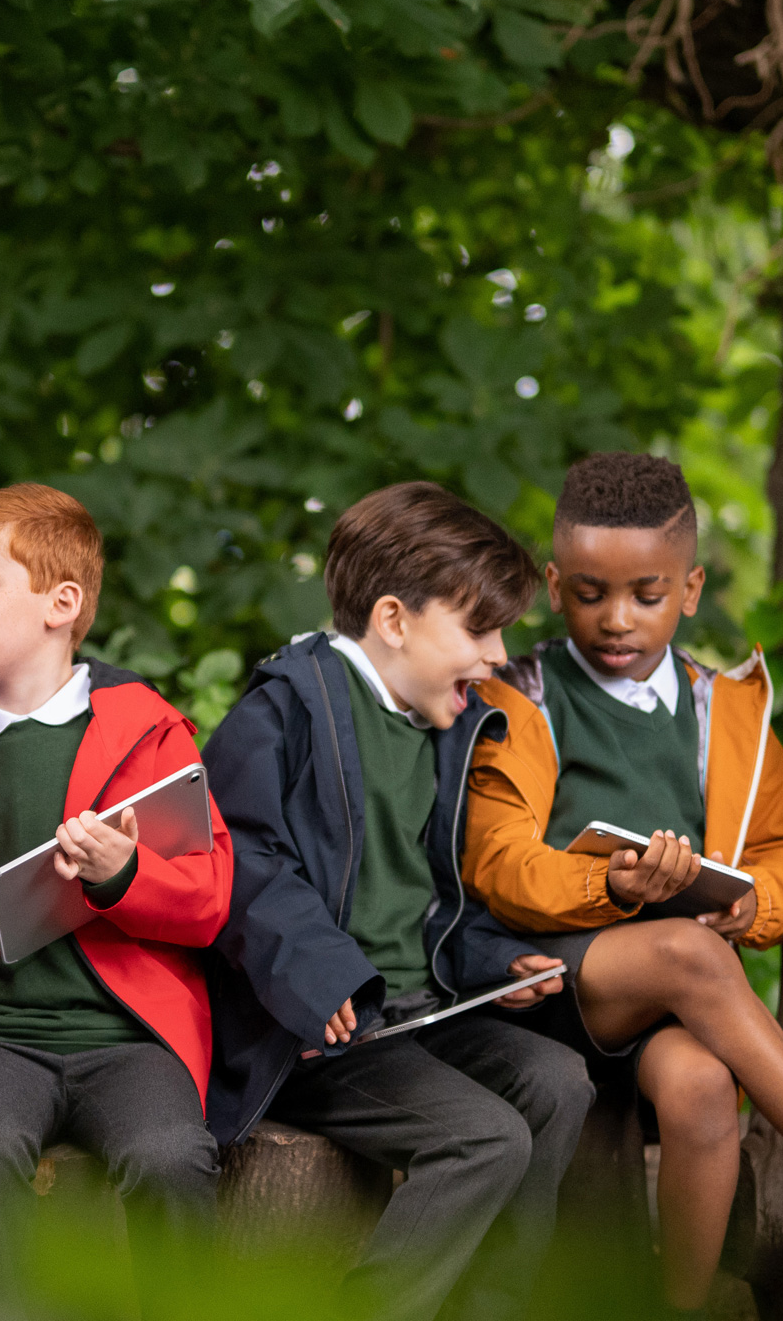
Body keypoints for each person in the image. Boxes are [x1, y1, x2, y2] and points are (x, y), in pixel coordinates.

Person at [460, 451, 783, 1313]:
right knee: (687, 950)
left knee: (699, 1086)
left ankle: (679, 1307)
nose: (616, 619)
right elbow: (498, 865)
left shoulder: (724, 706)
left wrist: (752, 901)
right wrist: (613, 888)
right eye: (588, 593)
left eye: (646, 596)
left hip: (667, 1008)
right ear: (551, 584)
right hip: (538, 987)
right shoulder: (520, 698)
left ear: (689, 591)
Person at [199, 482, 592, 1321]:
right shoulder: (284, 714)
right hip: (314, 1034)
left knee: (559, 1082)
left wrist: (492, 964)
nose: (494, 654)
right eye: (477, 629)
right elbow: (240, 860)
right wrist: (318, 975)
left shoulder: (451, 725)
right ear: (393, 619)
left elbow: (434, 895)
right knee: (483, 1139)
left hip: (423, 1014)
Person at [0, 484, 234, 1317]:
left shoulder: (148, 729)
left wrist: (125, 873)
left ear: (62, 603)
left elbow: (206, 901)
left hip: (130, 1038)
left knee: (172, 1156)